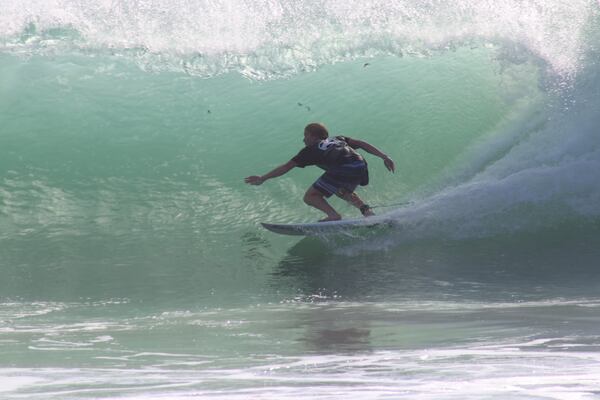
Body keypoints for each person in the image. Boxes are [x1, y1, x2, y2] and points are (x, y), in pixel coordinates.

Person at [245, 122, 395, 221]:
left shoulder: (310, 150)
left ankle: (333, 215)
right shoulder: (337, 139)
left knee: (310, 196)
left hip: (343, 168)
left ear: (312, 136)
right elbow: (361, 144)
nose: (303, 139)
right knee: (341, 190)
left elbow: (285, 167)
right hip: (360, 164)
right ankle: (366, 212)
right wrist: (384, 156)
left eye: (305, 135)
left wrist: (263, 178)